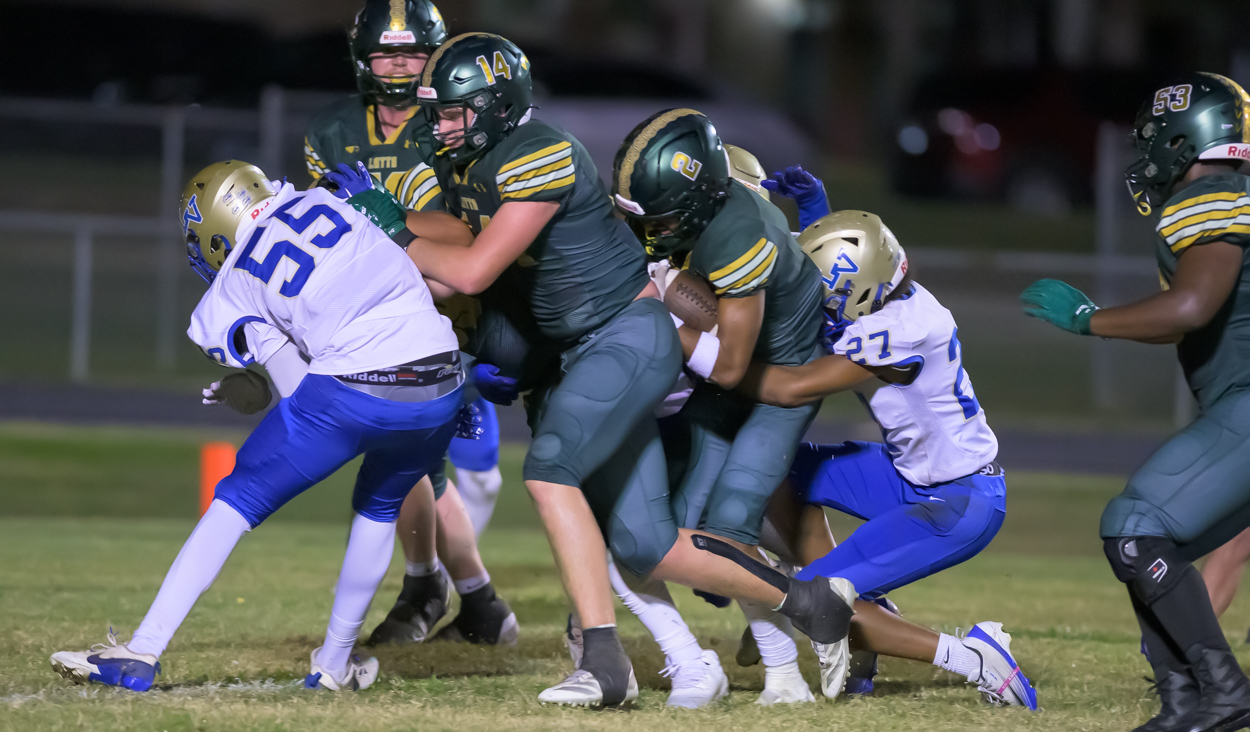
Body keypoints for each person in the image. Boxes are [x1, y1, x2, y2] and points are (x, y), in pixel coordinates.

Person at [345, 33, 857, 707]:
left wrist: (395, 231)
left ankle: (605, 663)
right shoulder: (468, 160)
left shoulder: (540, 152)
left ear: (496, 107)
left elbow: (471, 269)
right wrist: (385, 223)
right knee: (648, 545)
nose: (438, 127)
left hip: (623, 334)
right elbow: (461, 237)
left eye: (452, 112)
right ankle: (813, 603)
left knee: (550, 472)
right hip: (577, 352)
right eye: (436, 113)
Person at [50, 160, 466, 692]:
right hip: (442, 381)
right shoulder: (330, 202)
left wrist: (250, 389)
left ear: (216, 227)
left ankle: (143, 649)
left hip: (354, 388)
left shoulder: (236, 279)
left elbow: (297, 388)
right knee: (380, 507)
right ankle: (334, 663)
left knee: (238, 498)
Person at [1021, 72, 1250, 732]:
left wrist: (1088, 320)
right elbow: (1188, 318)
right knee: (1149, 540)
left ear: (1185, 138)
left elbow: (1190, 307)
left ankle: (1223, 692)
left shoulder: (1210, 199)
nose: (1146, 152)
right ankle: (1184, 703)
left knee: (1135, 527)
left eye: (1154, 137)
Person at [742, 209, 1037, 709]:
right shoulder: (887, 293)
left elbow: (794, 388)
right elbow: (847, 260)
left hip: (958, 500)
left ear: (856, 290)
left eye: (825, 291)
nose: (815, 297)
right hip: (906, 472)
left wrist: (718, 364)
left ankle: (976, 658)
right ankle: (862, 620)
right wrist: (815, 212)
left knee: (811, 597)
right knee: (782, 469)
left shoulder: (900, 329)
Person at [610, 110, 848, 705]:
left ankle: (794, 668)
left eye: (661, 216)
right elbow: (696, 307)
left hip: (775, 383)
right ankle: (791, 643)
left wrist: (653, 312)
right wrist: (660, 284)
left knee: (727, 527)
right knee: (678, 539)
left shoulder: (741, 234)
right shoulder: (696, 219)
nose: (650, 228)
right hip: (723, 387)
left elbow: (731, 363)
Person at [304, 0, 514, 648]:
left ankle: (451, 593)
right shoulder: (333, 131)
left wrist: (391, 222)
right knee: (408, 459)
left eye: (411, 54)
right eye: (385, 54)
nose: (398, 68)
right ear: (361, 59)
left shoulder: (450, 119)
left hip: (455, 308)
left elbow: (473, 231)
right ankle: (463, 597)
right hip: (381, 314)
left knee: (455, 466)